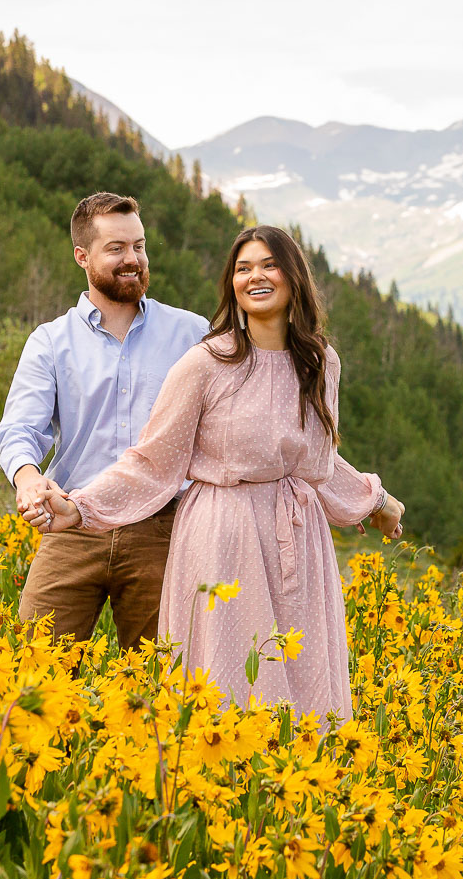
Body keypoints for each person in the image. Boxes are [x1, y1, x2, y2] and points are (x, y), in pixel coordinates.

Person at [37, 224, 405, 718]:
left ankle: (294, 792)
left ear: (294, 276)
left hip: (300, 542)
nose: (255, 276)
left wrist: (376, 503)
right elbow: (153, 461)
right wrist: (80, 507)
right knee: (226, 685)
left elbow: (315, 463)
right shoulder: (206, 363)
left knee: (303, 687)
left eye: (268, 265)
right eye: (242, 268)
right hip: (223, 536)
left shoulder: (320, 362)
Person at [0, 191, 209, 648]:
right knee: (35, 672)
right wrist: (28, 478)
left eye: (139, 245)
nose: (132, 259)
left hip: (164, 530)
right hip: (71, 525)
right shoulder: (51, 341)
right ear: (82, 256)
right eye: (116, 248)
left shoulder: (193, 333)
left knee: (166, 685)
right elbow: (19, 429)